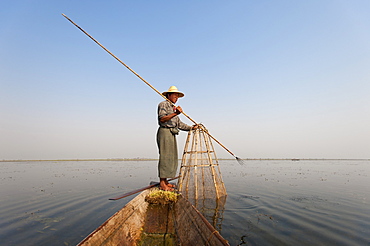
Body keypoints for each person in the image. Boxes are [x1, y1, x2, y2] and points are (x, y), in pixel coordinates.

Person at [157, 86, 196, 191]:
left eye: (177, 96)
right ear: (169, 95)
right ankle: (162, 183)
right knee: (165, 157)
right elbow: (162, 119)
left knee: (171, 157)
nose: (176, 97)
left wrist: (192, 128)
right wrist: (175, 113)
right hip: (165, 132)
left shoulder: (173, 107)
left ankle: (165, 181)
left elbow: (179, 124)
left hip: (172, 134)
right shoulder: (163, 104)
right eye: (175, 95)